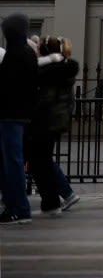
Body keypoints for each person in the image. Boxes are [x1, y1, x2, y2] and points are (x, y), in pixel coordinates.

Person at [27, 37, 80, 217]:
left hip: (43, 123)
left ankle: (51, 203)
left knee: (39, 163)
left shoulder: (46, 73)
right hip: (54, 123)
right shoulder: (62, 69)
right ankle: (56, 199)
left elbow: (44, 101)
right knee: (43, 161)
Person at [0, 13, 39, 225]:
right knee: (10, 162)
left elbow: (7, 87)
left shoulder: (16, 55)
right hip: (18, 115)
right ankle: (14, 205)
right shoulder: (26, 53)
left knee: (12, 163)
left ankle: (18, 208)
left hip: (10, 115)